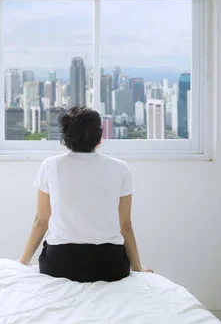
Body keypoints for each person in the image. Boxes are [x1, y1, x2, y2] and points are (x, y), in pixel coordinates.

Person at [19, 106, 152, 282]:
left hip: (59, 263)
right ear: (99, 137)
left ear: (66, 137)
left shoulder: (51, 166)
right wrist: (137, 268)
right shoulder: (120, 168)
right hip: (109, 265)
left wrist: (22, 263)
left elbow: (41, 221)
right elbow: (125, 225)